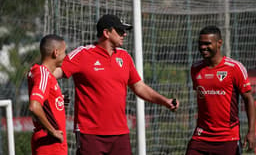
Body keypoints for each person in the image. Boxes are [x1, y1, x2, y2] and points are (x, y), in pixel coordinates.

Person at [53, 14, 179, 155]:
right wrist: (54, 96)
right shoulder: (83, 54)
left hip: (120, 134)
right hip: (90, 134)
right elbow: (51, 75)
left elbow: (139, 87)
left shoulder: (125, 57)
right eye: (119, 31)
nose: (124, 34)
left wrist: (165, 101)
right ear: (106, 33)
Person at [186, 25, 255, 155]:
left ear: (219, 43)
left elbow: (248, 98)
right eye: (200, 44)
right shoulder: (195, 69)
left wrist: (252, 132)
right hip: (201, 136)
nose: (202, 47)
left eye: (207, 43)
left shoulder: (234, 68)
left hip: (227, 138)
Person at [27, 34, 67, 155]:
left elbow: (44, 103)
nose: (66, 56)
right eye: (64, 52)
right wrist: (52, 131)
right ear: (56, 53)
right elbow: (34, 106)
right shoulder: (43, 73)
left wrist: (58, 101)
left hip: (52, 144)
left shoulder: (46, 75)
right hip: (49, 145)